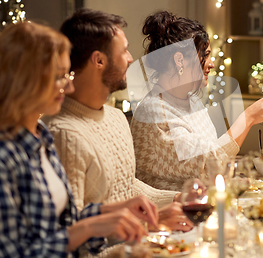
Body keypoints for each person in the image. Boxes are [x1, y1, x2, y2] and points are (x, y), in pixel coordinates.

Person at [0, 22, 157, 257]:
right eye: (60, 76)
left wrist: (115, 210)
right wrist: (89, 228)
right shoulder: (6, 155)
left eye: (68, 74)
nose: (70, 85)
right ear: (26, 79)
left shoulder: (41, 138)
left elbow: (66, 223)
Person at [42, 8, 192, 232]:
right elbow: (72, 230)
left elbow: (125, 186)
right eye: (124, 51)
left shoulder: (116, 117)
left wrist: (178, 199)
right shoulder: (64, 134)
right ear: (99, 60)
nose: (131, 58)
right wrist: (152, 223)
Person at [130, 11, 263, 191]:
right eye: (205, 55)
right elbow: (211, 161)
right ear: (180, 61)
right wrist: (248, 117)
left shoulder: (192, 101)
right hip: (172, 213)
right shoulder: (154, 112)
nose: (211, 63)